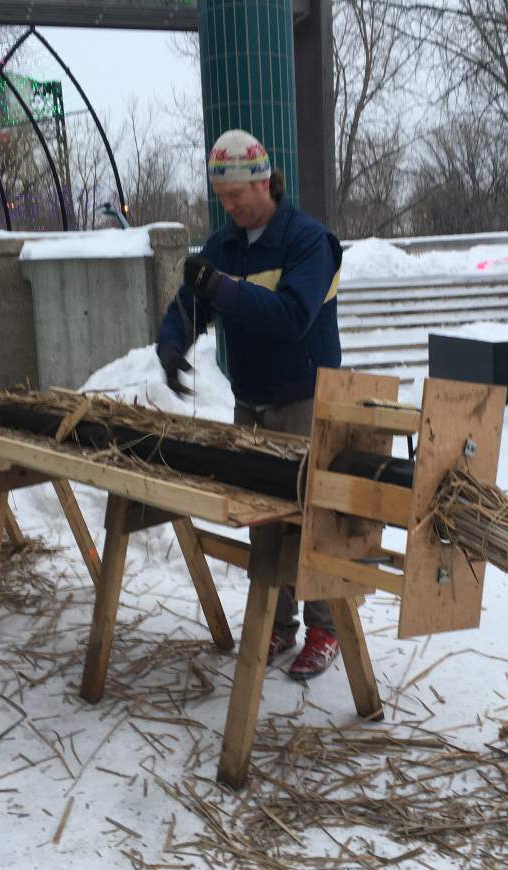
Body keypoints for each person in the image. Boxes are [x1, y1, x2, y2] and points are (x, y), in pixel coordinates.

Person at [155, 128, 344, 682]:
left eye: (238, 195)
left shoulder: (309, 241)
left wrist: (223, 289)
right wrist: (173, 342)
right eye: (223, 198)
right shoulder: (224, 245)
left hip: (306, 399)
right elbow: (192, 298)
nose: (230, 206)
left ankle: (326, 627)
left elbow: (291, 317)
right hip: (252, 402)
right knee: (264, 515)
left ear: (265, 180)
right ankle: (278, 624)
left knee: (314, 516)